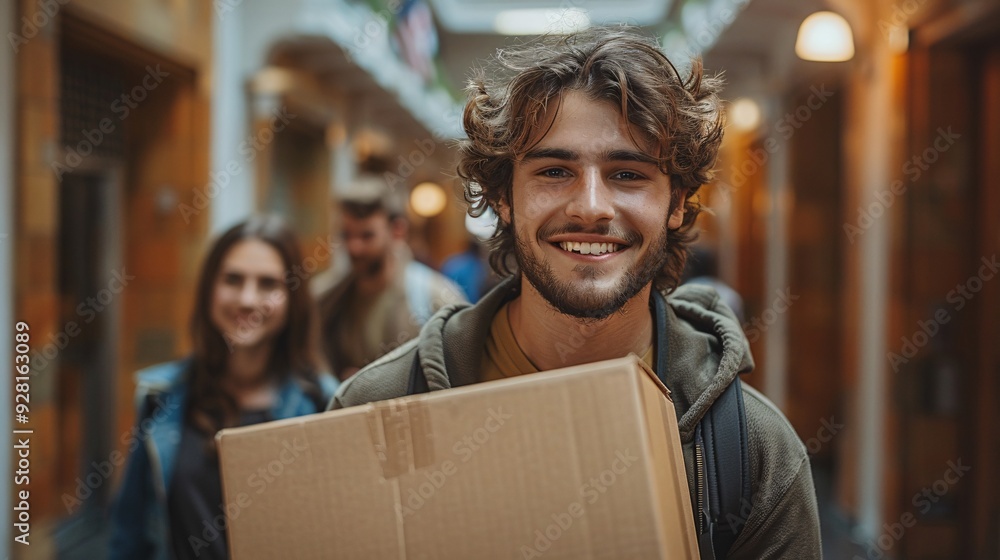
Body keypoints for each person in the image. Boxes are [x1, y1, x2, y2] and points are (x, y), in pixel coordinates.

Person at [330, 28, 822, 559]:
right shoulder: (373, 411)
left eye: (628, 173)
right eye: (556, 171)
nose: (591, 207)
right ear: (503, 197)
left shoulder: (753, 454)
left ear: (677, 201)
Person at [109, 216, 338, 560]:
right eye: (233, 279)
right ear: (208, 289)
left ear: (293, 298)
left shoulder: (325, 402)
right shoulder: (162, 396)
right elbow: (130, 531)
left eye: (267, 284)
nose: (247, 299)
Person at [315, 175, 466, 381]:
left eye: (366, 236)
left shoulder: (434, 297)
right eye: (346, 235)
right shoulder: (325, 299)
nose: (354, 247)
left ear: (397, 231)